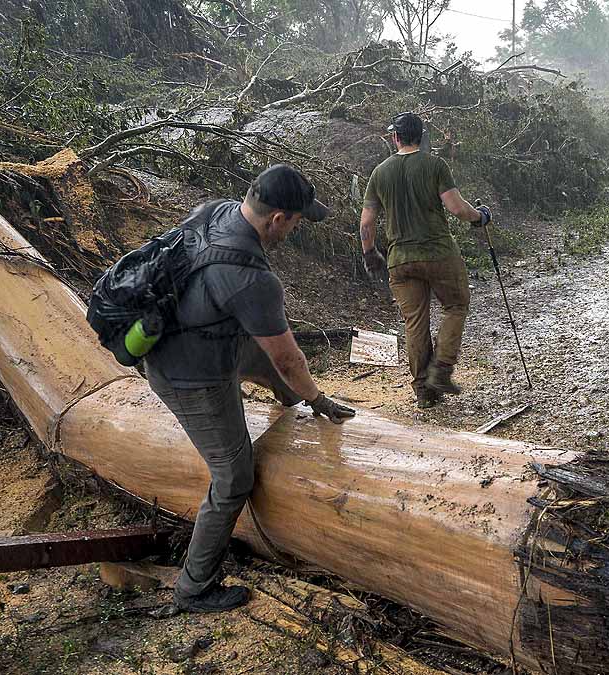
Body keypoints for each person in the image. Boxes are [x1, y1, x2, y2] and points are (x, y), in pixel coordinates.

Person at [144, 164, 356, 613]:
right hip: (190, 376)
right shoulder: (253, 279)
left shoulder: (214, 211)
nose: (294, 230)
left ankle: (290, 398)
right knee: (234, 477)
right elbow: (287, 358)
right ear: (279, 218)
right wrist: (317, 397)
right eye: (296, 222)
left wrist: (295, 388)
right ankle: (193, 587)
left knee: (262, 354)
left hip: (194, 338)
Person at [359, 112, 490, 409]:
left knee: (414, 321)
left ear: (395, 137)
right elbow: (457, 208)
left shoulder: (380, 172)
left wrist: (370, 253)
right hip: (438, 253)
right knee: (456, 306)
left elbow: (366, 223)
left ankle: (423, 391)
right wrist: (480, 217)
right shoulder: (434, 165)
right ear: (422, 136)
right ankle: (441, 371)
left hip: (400, 260)